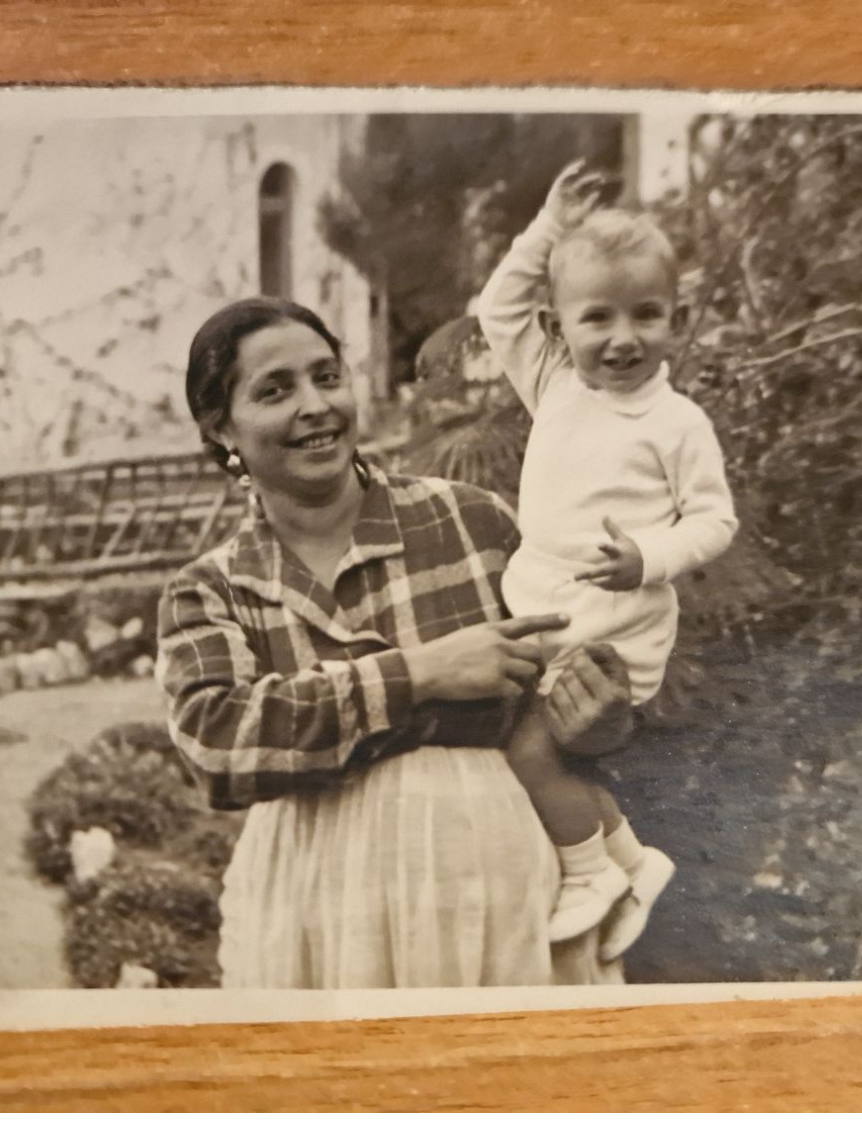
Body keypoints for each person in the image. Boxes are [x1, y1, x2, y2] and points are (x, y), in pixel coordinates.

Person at [156, 296, 635, 989]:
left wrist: (600, 714)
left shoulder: (472, 522)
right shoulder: (214, 588)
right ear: (221, 426)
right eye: (275, 390)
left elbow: (569, 681)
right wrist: (418, 674)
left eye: (327, 376)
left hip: (495, 886)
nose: (315, 405)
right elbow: (218, 743)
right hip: (315, 906)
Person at [476, 160, 738, 961]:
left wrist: (648, 557)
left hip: (615, 625)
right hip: (545, 605)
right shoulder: (553, 384)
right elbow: (497, 306)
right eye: (598, 318)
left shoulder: (678, 420)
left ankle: (588, 873)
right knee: (520, 738)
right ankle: (631, 858)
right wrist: (548, 228)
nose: (623, 338)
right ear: (558, 326)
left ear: (676, 318)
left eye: (646, 315)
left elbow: (715, 518)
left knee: (531, 749)